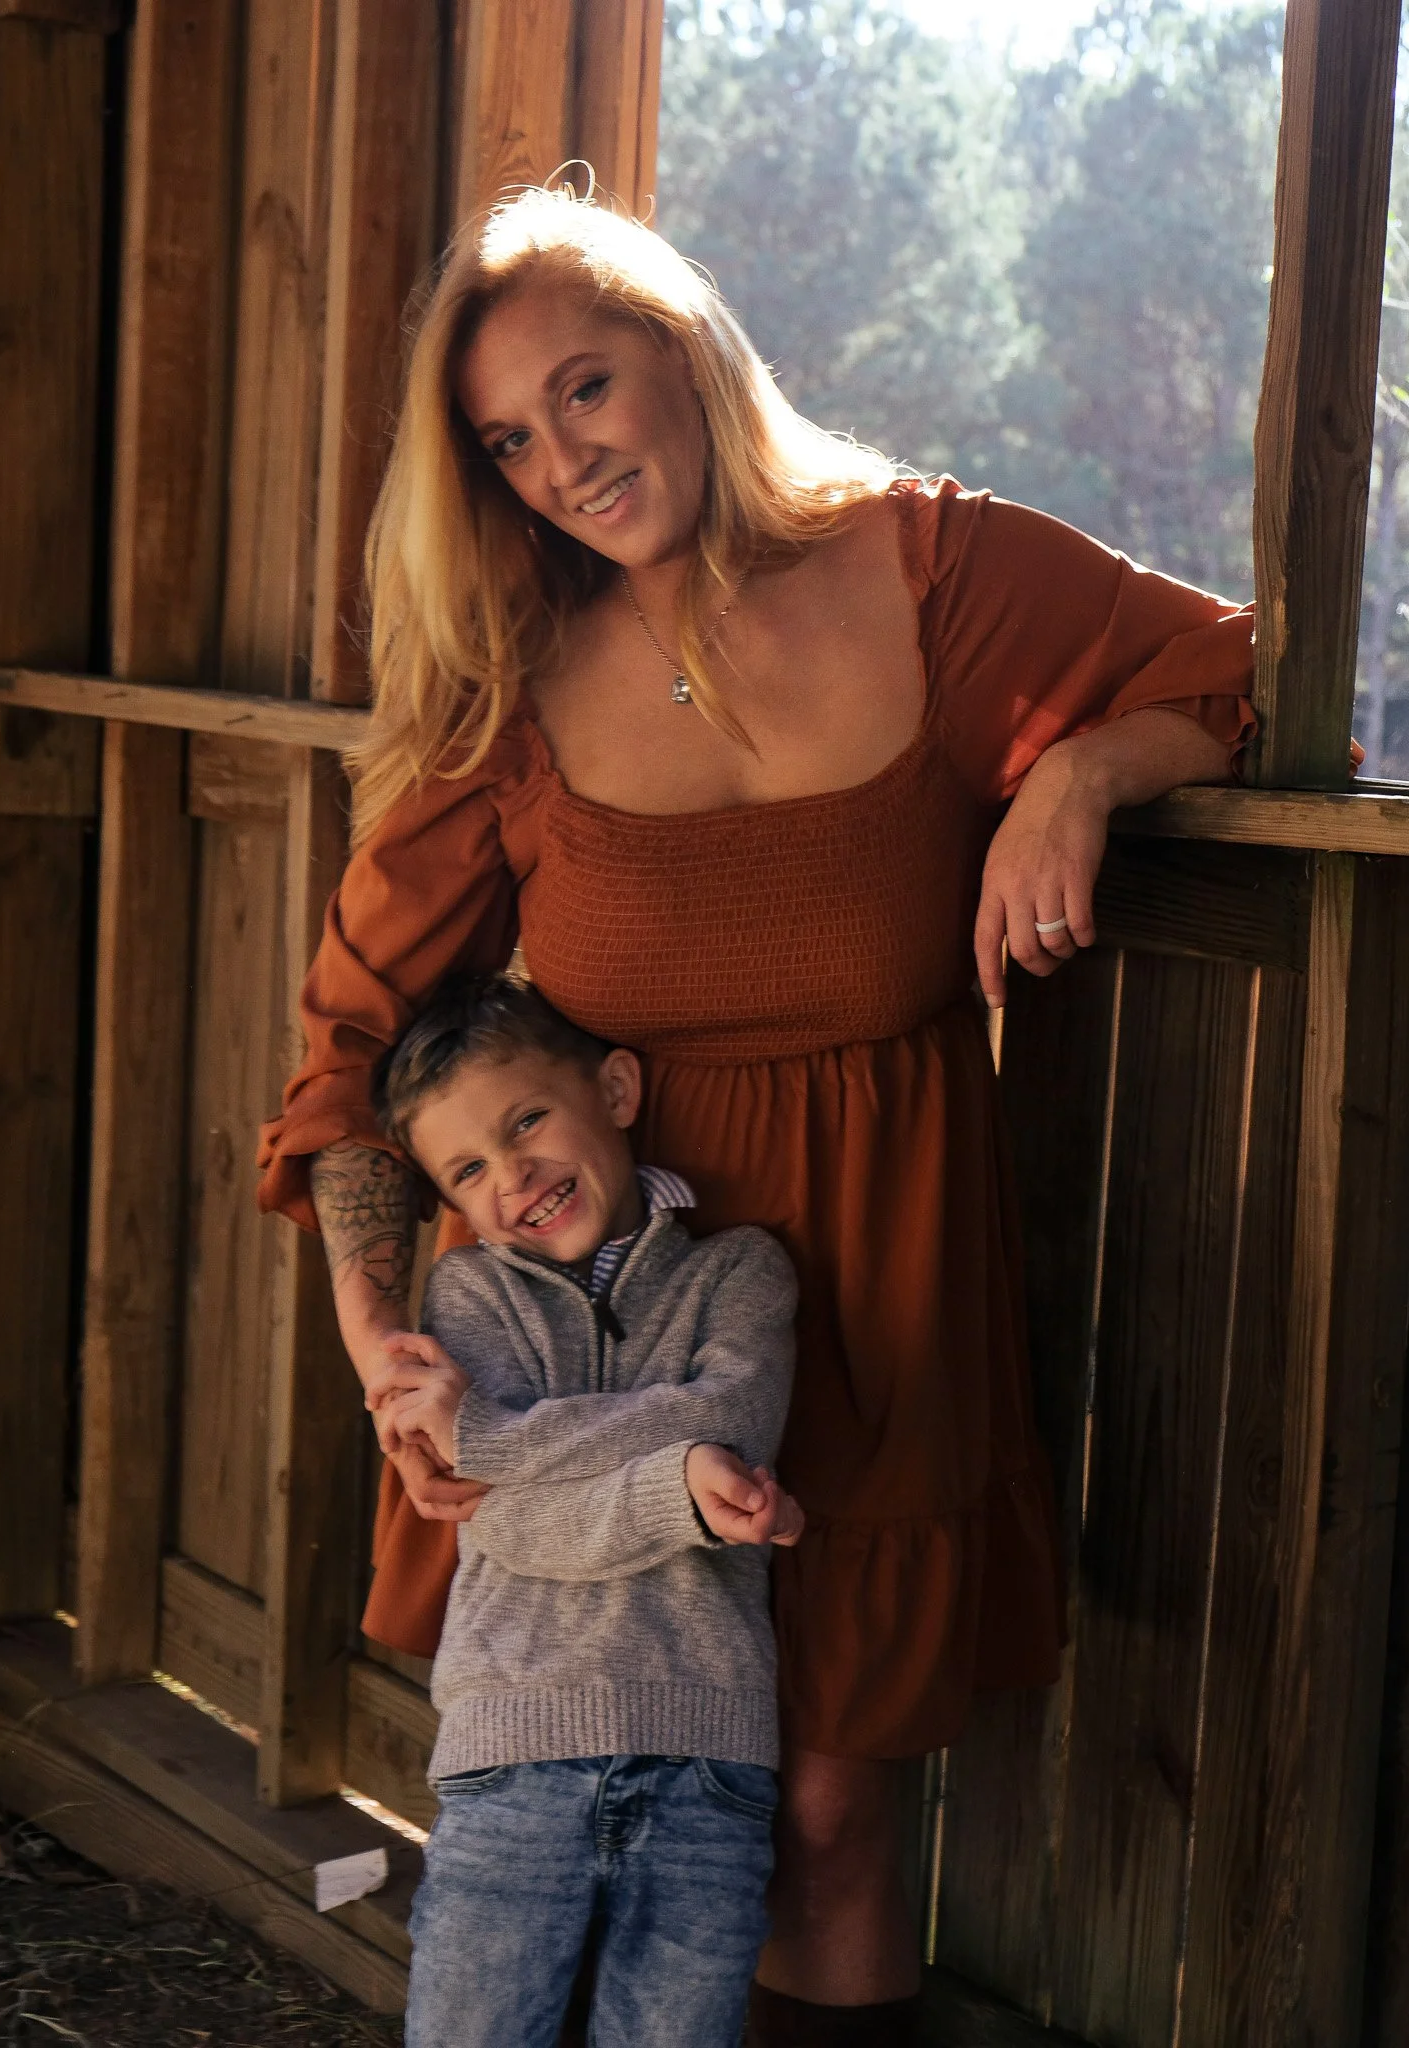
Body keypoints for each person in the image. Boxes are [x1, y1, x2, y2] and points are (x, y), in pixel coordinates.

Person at [257, 186, 1255, 2044]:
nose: (560, 461)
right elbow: (347, 1056)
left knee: (823, 1803)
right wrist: (382, 1336)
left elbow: (1226, 663)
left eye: (586, 389)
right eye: (507, 438)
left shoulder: (934, 570)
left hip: (877, 1311)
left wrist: (1080, 778)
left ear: (688, 353)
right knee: (589, 1809)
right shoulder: (514, 684)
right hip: (597, 1347)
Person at [365, 971, 802, 2047]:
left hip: (709, 1765)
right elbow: (507, 1519)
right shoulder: (469, 1295)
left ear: (612, 1087)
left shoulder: (741, 1273)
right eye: (468, 1168)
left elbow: (731, 1412)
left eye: (526, 1121)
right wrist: (680, 1478)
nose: (513, 1174)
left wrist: (494, 1435)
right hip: (509, 1762)